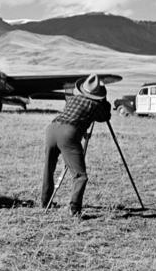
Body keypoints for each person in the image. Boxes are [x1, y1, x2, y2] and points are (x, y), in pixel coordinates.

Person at [41, 73, 112, 217]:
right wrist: (105, 102)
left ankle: (45, 201)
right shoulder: (95, 104)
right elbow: (105, 117)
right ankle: (74, 209)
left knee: (49, 167)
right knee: (80, 176)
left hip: (52, 129)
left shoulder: (74, 99)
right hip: (69, 133)